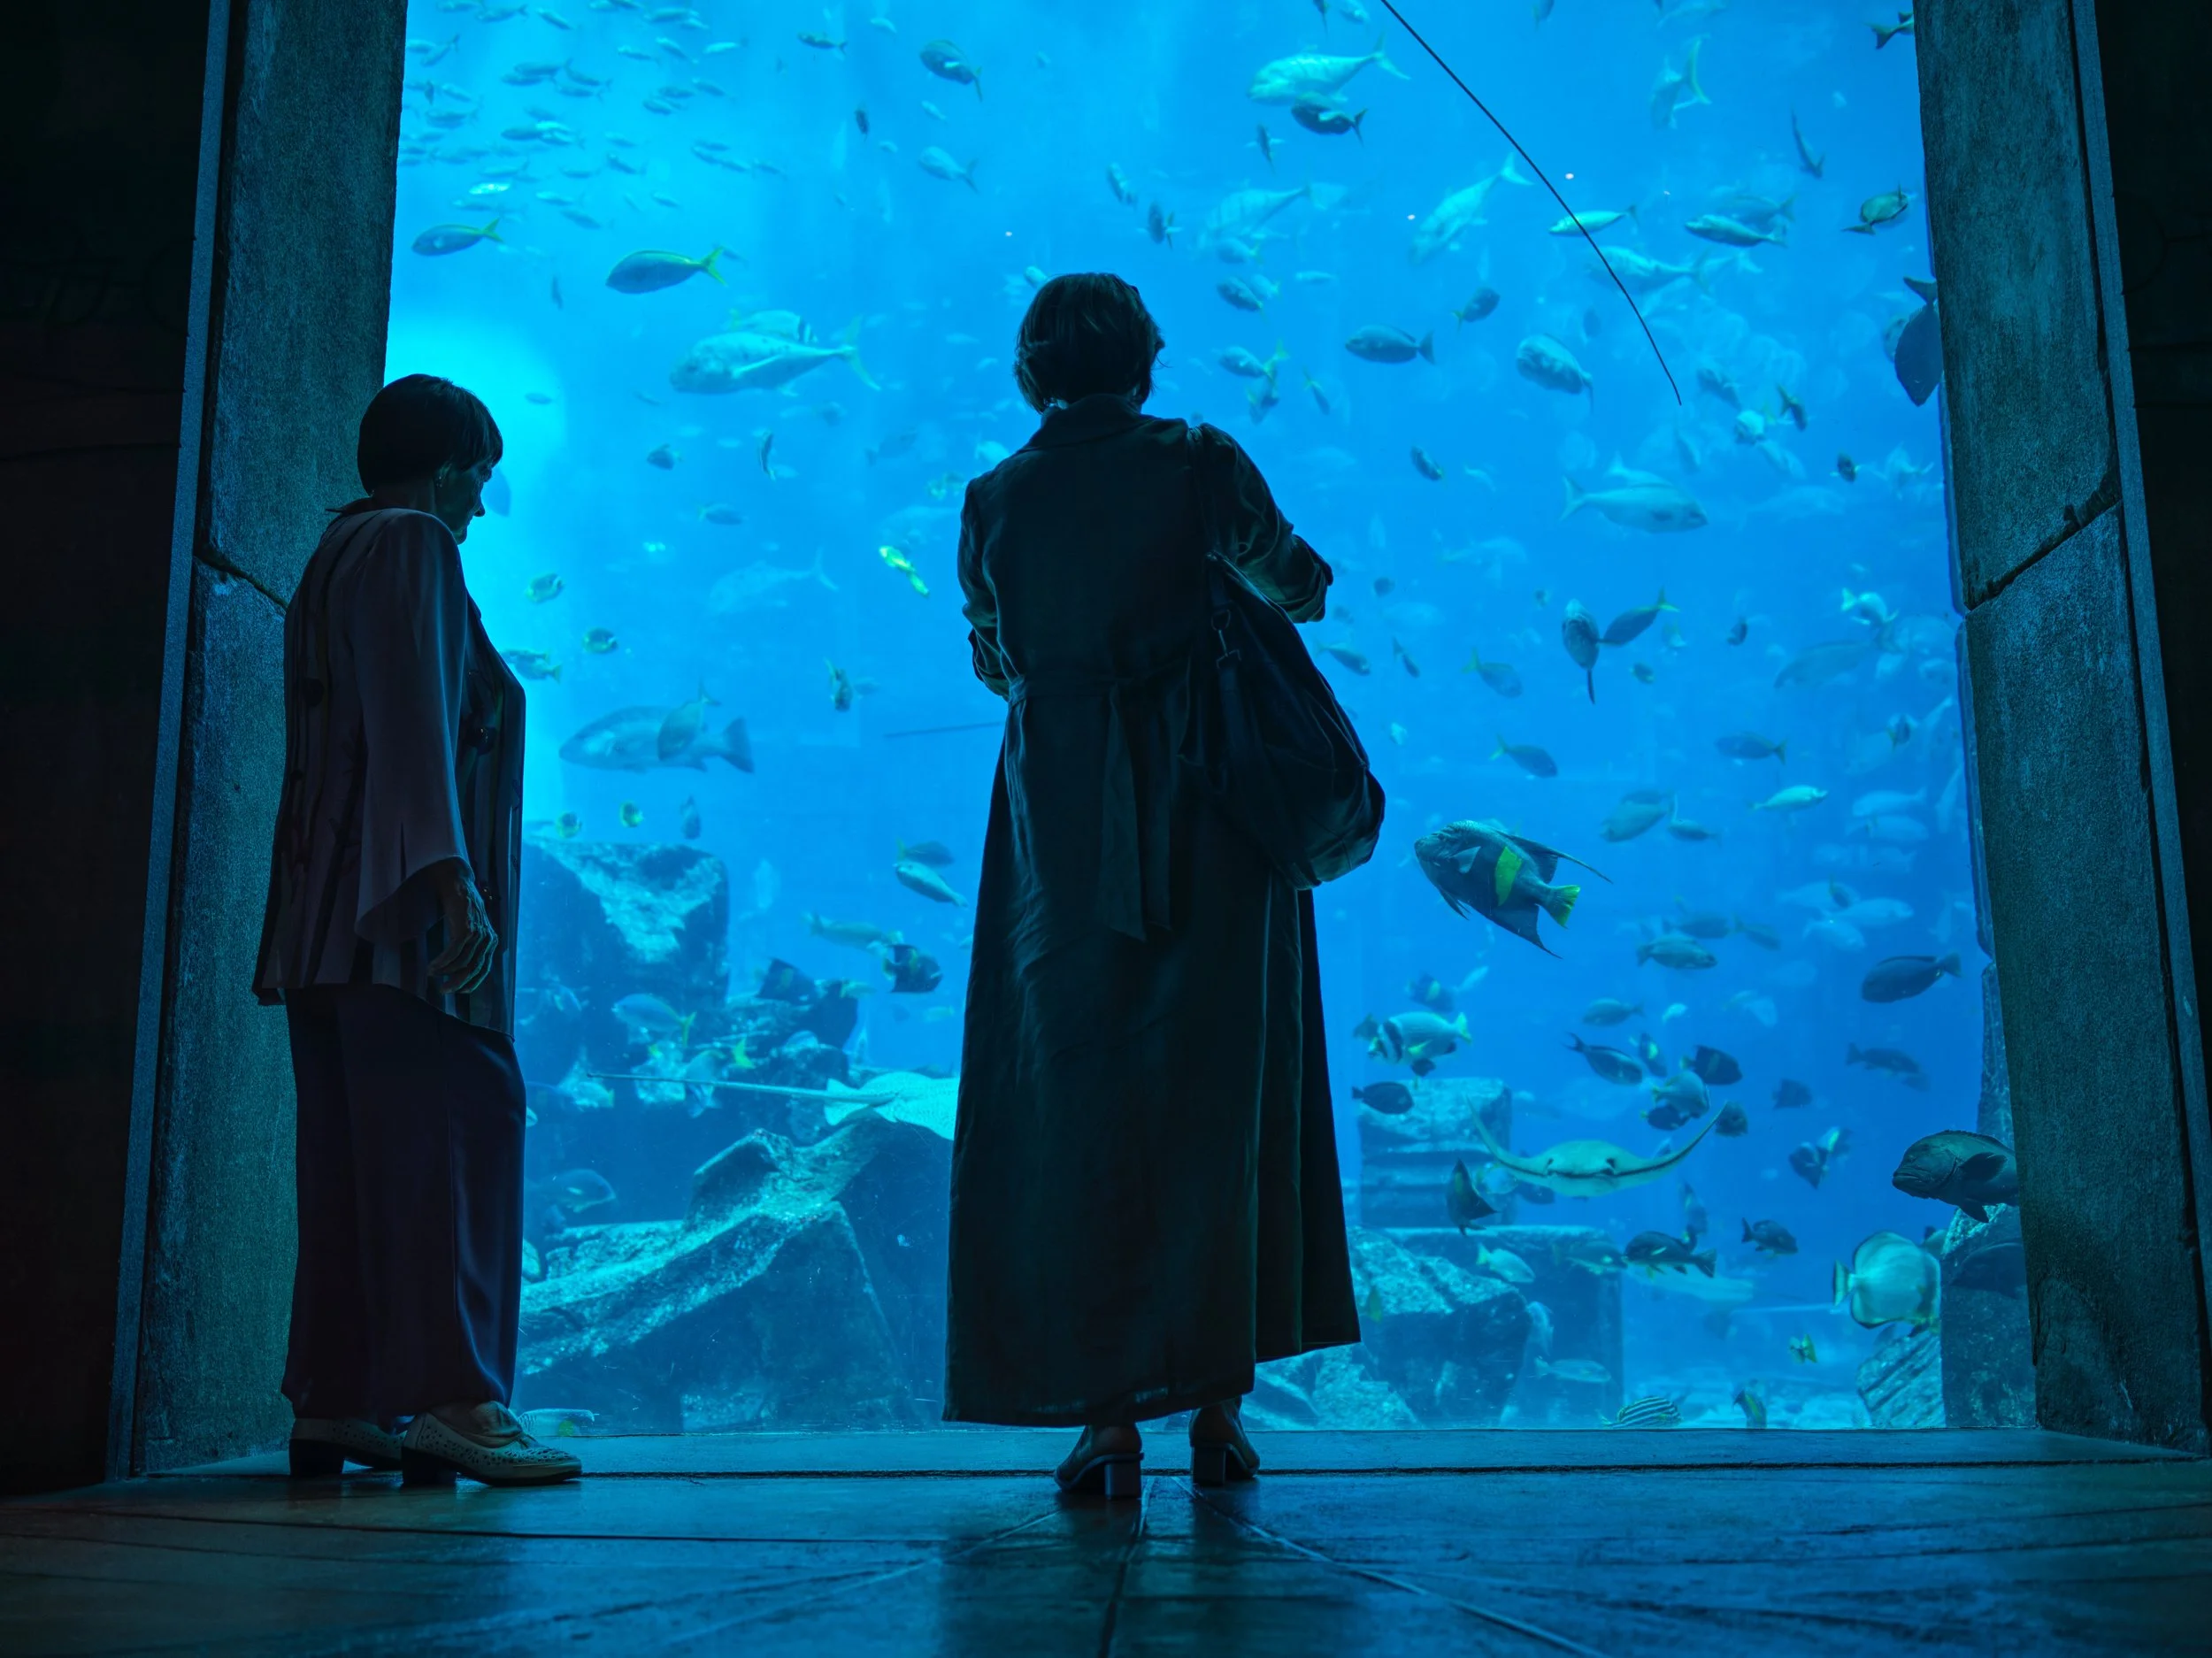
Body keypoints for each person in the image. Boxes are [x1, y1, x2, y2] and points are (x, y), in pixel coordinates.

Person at [946, 274, 1360, 1493]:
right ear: (1148, 358)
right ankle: (1221, 1411)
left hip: (1061, 829)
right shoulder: (1199, 461)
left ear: (1032, 374)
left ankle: (1104, 1415)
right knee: (1215, 1097)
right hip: (1211, 814)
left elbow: (995, 659)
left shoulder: (995, 498)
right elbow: (1304, 586)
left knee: (1078, 1103)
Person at [252, 375, 580, 1487]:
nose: (479, 511)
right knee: (459, 1130)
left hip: (321, 929)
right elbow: (414, 723)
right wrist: (450, 882)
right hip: (400, 929)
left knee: (352, 1162)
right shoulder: (414, 547)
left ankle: (339, 1399)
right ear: (445, 470)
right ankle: (455, 1401)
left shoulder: (332, 553)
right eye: (478, 481)